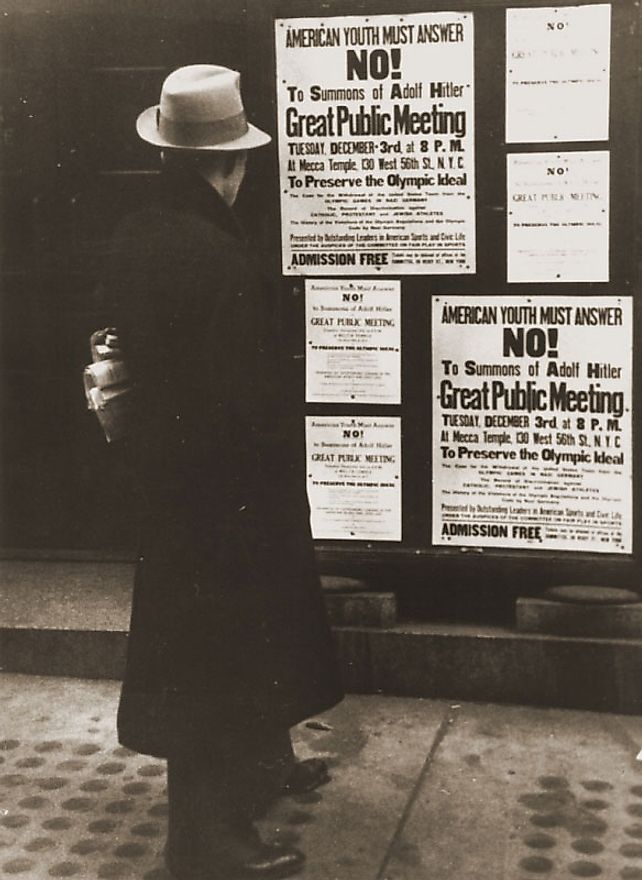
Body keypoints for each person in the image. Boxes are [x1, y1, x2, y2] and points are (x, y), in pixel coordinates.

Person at [99, 64, 344, 879]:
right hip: (228, 497)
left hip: (174, 489)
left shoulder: (138, 230)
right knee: (219, 662)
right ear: (231, 164)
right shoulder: (220, 258)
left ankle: (263, 770)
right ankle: (206, 847)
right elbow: (238, 399)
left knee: (229, 649)